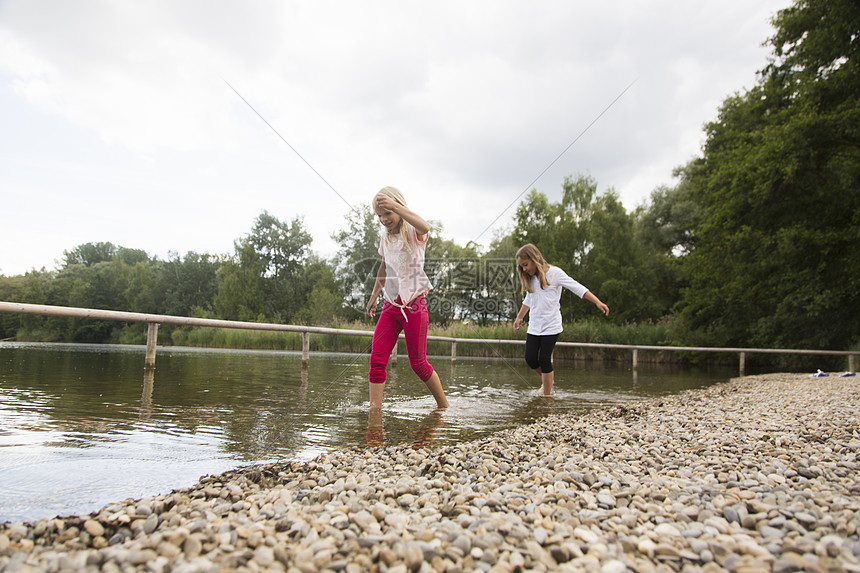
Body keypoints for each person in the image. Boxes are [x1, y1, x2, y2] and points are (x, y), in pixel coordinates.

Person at [366, 186, 449, 409]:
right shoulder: (385, 240)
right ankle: (375, 412)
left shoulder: (413, 232)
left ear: (398, 208)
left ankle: (443, 407)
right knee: (376, 360)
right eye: (380, 215)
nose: (384, 219)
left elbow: (426, 226)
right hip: (390, 307)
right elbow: (383, 268)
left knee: (418, 364)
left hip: (414, 307)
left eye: (388, 213)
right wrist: (374, 296)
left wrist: (396, 206)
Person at [513, 243, 610, 396]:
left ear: (535, 258)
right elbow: (529, 299)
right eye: (522, 267)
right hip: (535, 326)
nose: (524, 269)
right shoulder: (530, 279)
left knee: (544, 359)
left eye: (525, 265)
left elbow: (577, 287)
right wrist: (519, 317)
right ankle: (549, 381)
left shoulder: (555, 273)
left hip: (551, 325)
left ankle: (546, 396)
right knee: (530, 358)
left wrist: (597, 301)